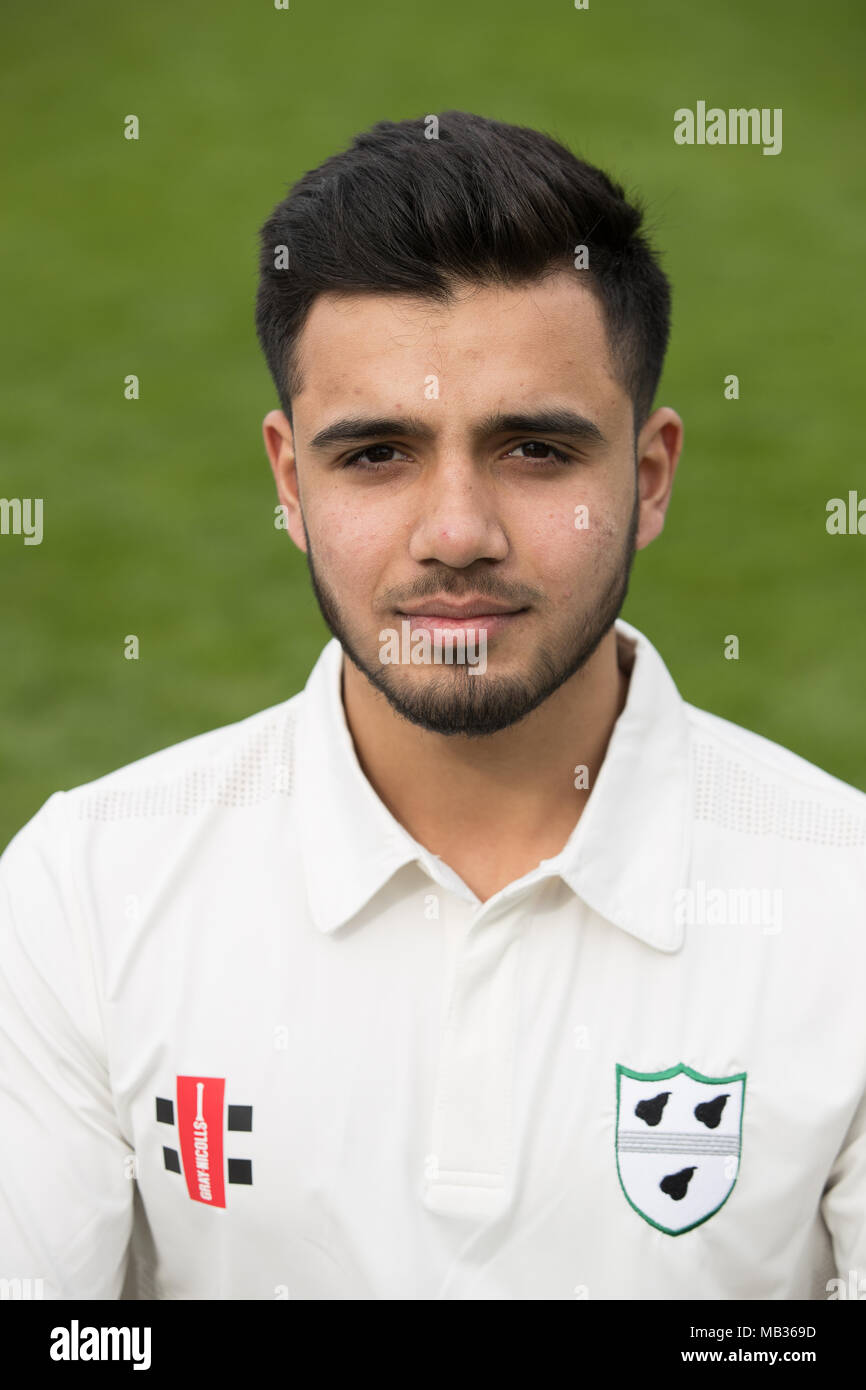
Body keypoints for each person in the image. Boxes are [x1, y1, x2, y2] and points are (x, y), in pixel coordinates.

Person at [1, 111, 863, 1301]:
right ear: (287, 481)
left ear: (647, 476)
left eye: (533, 450)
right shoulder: (82, 895)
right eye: (375, 455)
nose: (456, 533)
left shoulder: (842, 905)